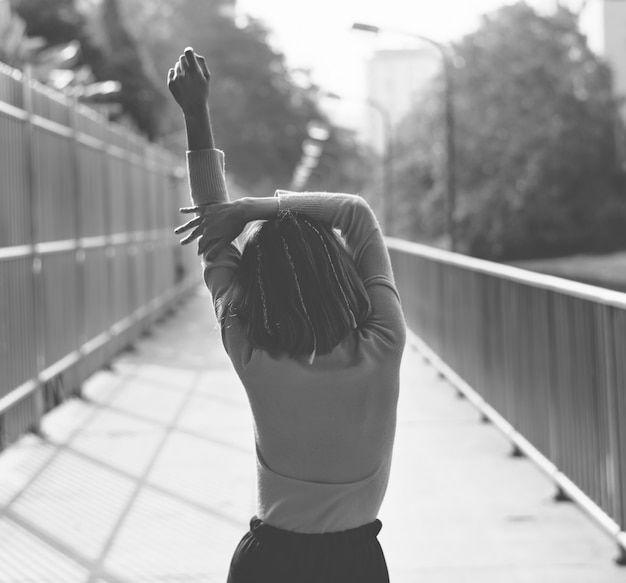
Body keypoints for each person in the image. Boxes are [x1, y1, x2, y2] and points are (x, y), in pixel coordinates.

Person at [168, 47, 406, 583]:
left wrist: (195, 113)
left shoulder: (253, 351)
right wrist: (256, 208)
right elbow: (356, 213)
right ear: (339, 268)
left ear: (257, 283)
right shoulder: (384, 343)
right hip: (357, 566)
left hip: (268, 564)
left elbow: (213, 239)